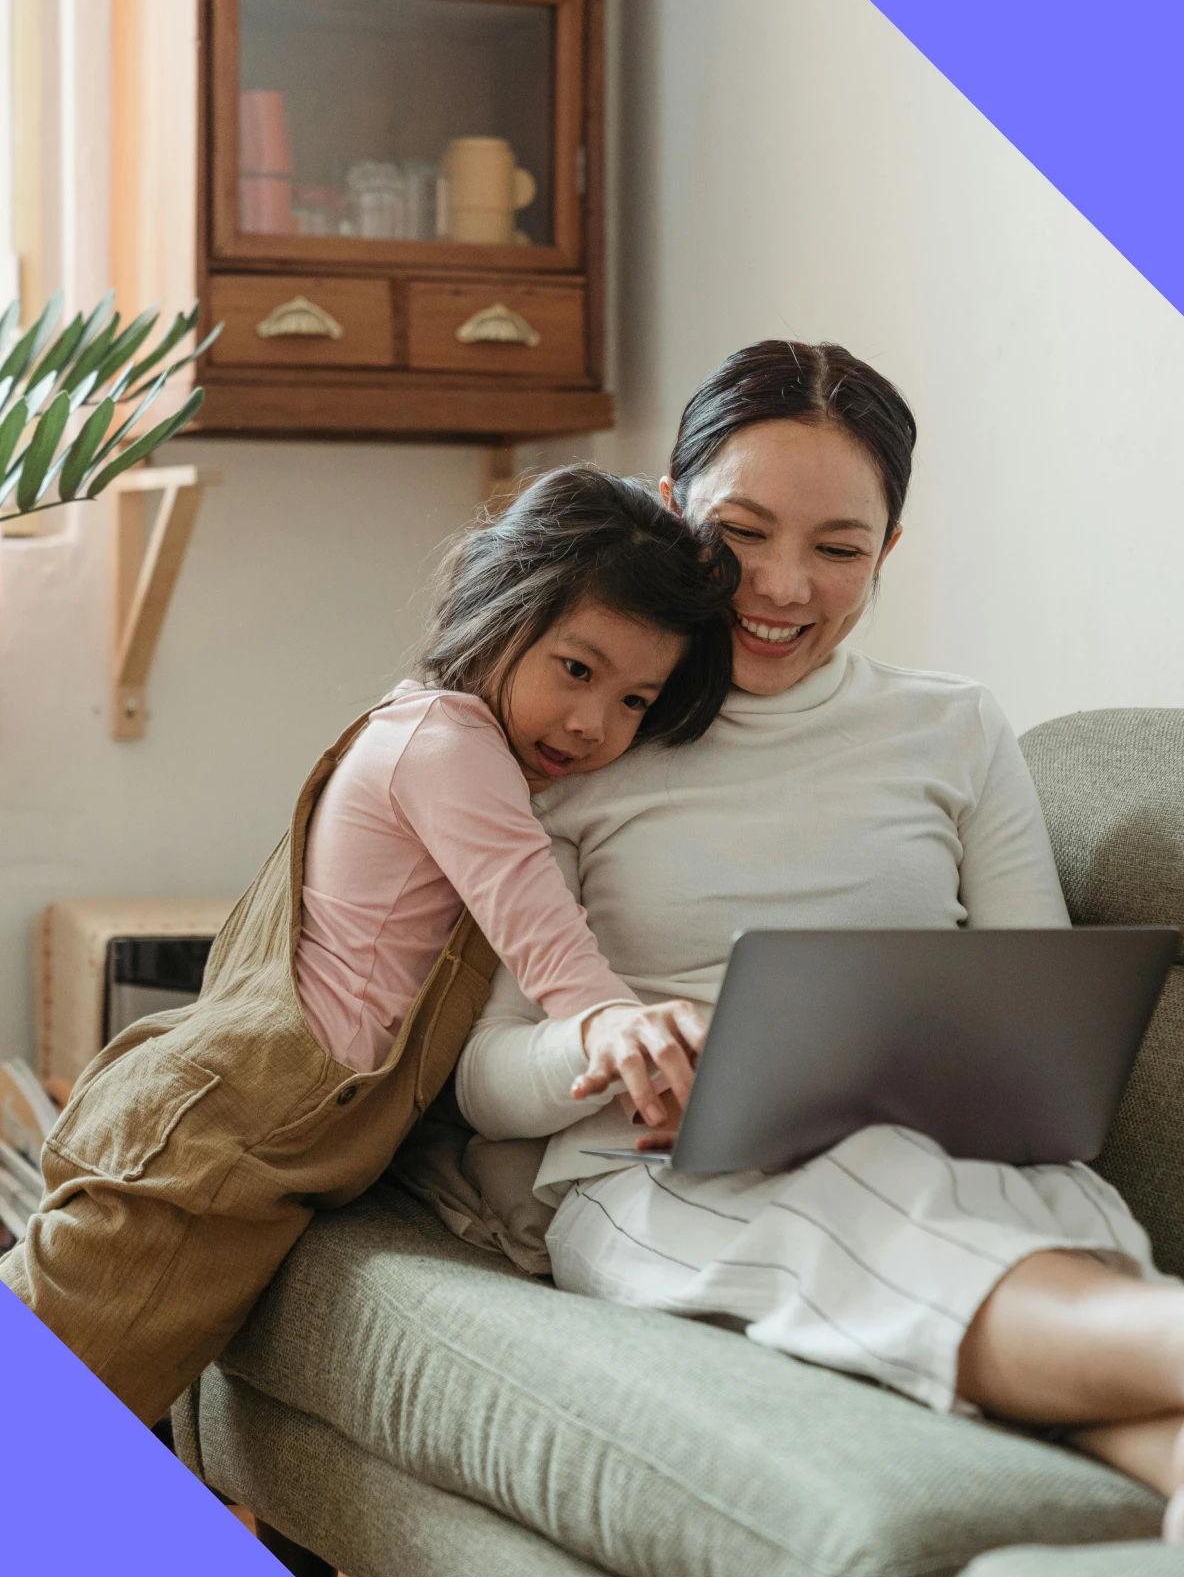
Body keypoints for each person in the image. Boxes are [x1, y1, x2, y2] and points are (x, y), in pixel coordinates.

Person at [456, 342, 1184, 1539]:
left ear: (885, 552)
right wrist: (609, 1039)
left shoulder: (952, 728)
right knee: (874, 1196)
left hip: (956, 1154)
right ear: (669, 505)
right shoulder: (584, 733)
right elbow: (485, 1081)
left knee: (971, 1200)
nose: (780, 587)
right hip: (664, 1177)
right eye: (740, 533)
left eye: (837, 550)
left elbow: (1045, 1018)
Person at [0, 468, 736, 1425]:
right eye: (577, 669)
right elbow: (542, 930)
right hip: (214, 1147)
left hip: (251, 1145)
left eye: (637, 701)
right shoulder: (448, 746)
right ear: (502, 608)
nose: (595, 723)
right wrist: (614, 1025)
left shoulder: (444, 735)